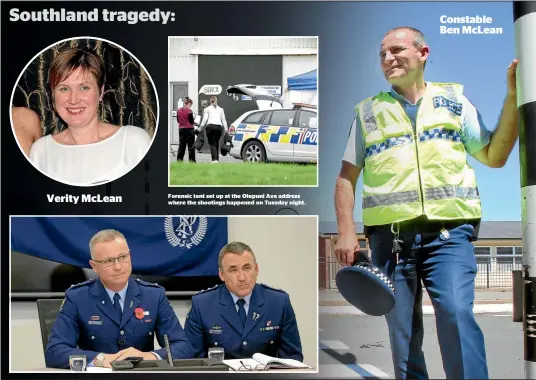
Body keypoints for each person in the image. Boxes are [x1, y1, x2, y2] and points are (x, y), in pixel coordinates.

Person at [334, 26, 518, 379]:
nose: (388, 59)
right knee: (402, 336)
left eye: (397, 50)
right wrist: (346, 230)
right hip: (390, 242)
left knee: (456, 315)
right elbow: (346, 178)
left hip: (448, 236)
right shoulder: (368, 113)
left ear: (423, 53)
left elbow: (495, 155)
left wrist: (512, 96)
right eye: (382, 54)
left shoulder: (454, 103)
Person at [45, 229, 194, 369]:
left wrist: (148, 356)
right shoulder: (78, 297)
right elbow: (55, 352)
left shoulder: (154, 295)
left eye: (123, 257)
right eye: (109, 261)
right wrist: (100, 359)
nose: (118, 267)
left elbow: (184, 347)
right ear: (94, 266)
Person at [29, 48, 152, 186]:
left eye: (84, 88)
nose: (73, 99)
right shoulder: (40, 151)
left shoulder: (133, 142)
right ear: (53, 95)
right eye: (64, 88)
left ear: (101, 92)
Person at [184, 241, 303, 361]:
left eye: (247, 268)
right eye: (233, 270)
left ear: (256, 269)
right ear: (221, 274)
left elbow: (293, 358)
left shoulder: (279, 303)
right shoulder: (202, 304)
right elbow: (192, 361)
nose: (242, 277)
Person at [199, 95, 227, 163]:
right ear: (216, 101)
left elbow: (205, 119)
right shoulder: (221, 109)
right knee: (216, 142)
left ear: (210, 102)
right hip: (219, 128)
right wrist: (226, 129)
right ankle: (217, 159)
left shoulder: (207, 109)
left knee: (212, 143)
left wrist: (200, 127)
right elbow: (223, 120)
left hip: (210, 127)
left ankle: (214, 160)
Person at [176, 96, 196, 163]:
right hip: (189, 129)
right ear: (187, 104)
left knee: (181, 146)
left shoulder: (178, 110)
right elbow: (191, 121)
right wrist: (194, 122)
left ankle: (179, 160)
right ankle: (192, 161)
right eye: (190, 105)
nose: (190, 106)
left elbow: (178, 120)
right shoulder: (189, 111)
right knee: (191, 146)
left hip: (181, 129)